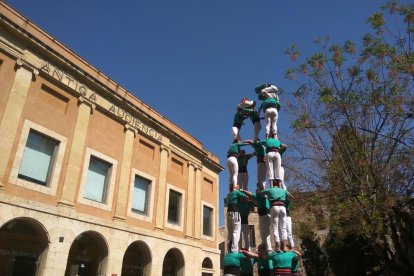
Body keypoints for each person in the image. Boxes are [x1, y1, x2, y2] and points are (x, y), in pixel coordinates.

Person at [240, 185, 272, 252]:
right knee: (264, 231)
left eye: (257, 190)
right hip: (265, 214)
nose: (256, 191)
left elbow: (250, 194)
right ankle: (266, 247)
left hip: (264, 214)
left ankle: (268, 248)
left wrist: (243, 191)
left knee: (264, 232)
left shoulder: (260, 196)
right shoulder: (264, 196)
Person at [261, 180, 290, 251]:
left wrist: (264, 188)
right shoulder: (283, 190)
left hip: (274, 206)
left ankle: (277, 246)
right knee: (283, 227)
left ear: (272, 184)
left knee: (275, 227)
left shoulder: (270, 189)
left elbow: (261, 192)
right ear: (278, 184)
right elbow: (289, 195)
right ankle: (285, 246)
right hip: (283, 207)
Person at [226, 185, 249, 253]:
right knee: (236, 231)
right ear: (235, 187)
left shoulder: (229, 194)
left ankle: (229, 249)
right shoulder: (236, 192)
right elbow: (245, 197)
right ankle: (234, 250)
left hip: (229, 212)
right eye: (237, 186)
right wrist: (241, 191)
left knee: (230, 232)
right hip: (235, 212)